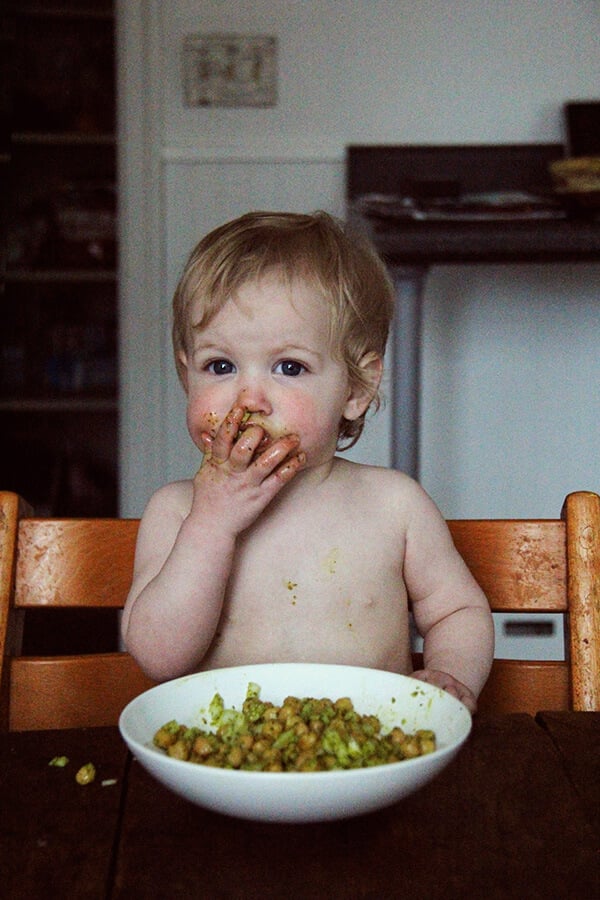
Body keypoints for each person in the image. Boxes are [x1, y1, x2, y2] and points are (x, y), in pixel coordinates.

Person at [122, 211, 494, 711]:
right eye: (221, 366)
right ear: (187, 376)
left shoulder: (393, 505)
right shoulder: (176, 512)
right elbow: (156, 656)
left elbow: (458, 610)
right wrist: (211, 524)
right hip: (229, 768)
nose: (249, 396)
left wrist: (448, 674)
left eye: (289, 367)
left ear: (357, 388)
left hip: (371, 758)